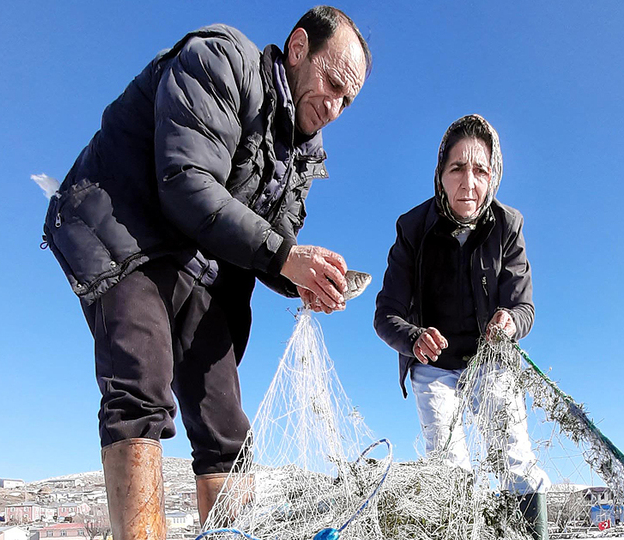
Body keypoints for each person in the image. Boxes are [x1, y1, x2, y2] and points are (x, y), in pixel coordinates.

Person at [41, 7, 370, 539]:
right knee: (141, 382)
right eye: (332, 83)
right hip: (126, 224)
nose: (334, 106)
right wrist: (286, 257)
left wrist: (302, 277)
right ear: (298, 46)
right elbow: (186, 183)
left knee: (226, 430)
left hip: (201, 262)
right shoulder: (221, 59)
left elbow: (272, 241)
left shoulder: (304, 156)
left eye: (347, 100)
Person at [373, 114, 550, 538]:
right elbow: (385, 315)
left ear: (493, 177)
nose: (468, 182)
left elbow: (522, 306)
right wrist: (414, 338)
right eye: (457, 168)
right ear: (440, 173)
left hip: (489, 360)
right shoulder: (412, 228)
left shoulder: (508, 226)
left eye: (480, 170)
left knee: (514, 453)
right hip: (434, 366)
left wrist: (509, 321)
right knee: (449, 465)